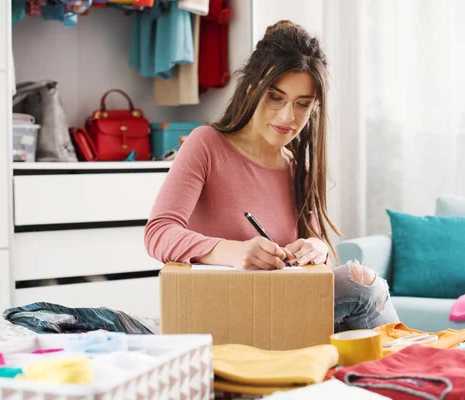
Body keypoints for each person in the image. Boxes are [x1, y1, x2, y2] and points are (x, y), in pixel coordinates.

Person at [144, 20, 399, 331]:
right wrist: (235, 252)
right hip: (222, 310)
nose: (287, 117)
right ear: (252, 89)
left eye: (302, 104)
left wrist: (317, 250)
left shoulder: (298, 169)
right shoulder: (206, 145)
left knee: (358, 294)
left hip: (279, 312)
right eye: (275, 98)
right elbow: (158, 233)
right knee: (364, 286)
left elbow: (321, 271)